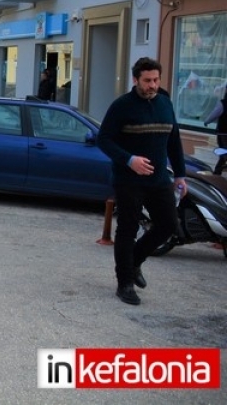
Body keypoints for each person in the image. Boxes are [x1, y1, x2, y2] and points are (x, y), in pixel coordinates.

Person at [97, 57, 186, 306]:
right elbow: (103, 139)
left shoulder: (165, 104)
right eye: (147, 81)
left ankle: (134, 261)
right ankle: (124, 282)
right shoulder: (121, 106)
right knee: (127, 228)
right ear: (135, 80)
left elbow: (174, 142)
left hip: (159, 179)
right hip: (128, 179)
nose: (153, 85)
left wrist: (180, 175)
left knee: (169, 225)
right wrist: (129, 160)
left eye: (156, 80)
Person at [204, 87, 227, 175]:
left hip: (223, 133)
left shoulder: (223, 103)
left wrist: (207, 121)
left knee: (224, 154)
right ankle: (218, 172)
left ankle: (217, 173)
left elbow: (215, 113)